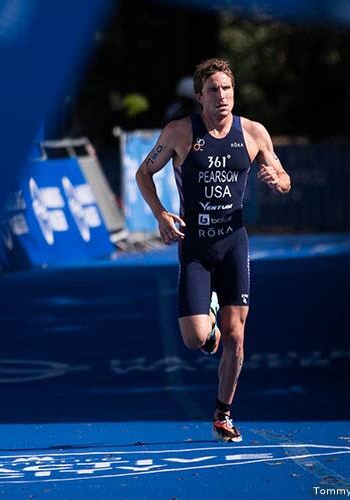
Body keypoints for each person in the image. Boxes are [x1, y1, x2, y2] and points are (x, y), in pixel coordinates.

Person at [135, 58, 291, 442]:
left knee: (237, 337)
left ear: (233, 93)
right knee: (194, 339)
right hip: (196, 247)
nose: (221, 96)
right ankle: (210, 315)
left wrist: (278, 181)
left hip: (233, 243)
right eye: (213, 90)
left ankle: (223, 413)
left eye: (226, 89)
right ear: (200, 97)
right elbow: (143, 173)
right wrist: (160, 214)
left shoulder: (253, 133)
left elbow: (284, 178)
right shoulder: (179, 132)